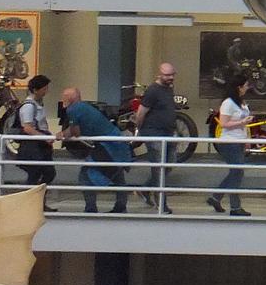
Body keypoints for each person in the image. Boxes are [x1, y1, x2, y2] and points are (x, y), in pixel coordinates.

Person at [58, 87, 129, 214]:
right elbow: (75, 128)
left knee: (85, 176)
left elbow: (76, 132)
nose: (62, 99)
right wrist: (63, 133)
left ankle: (91, 208)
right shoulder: (85, 107)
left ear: (71, 98)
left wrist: (64, 134)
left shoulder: (72, 110)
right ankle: (121, 206)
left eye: (64, 96)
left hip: (107, 146)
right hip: (116, 143)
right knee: (117, 174)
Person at [137, 62, 179, 213]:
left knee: (170, 163)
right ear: (159, 74)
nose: (170, 77)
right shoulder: (152, 90)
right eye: (167, 75)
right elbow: (141, 112)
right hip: (153, 132)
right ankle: (161, 204)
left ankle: (145, 189)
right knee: (159, 168)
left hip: (168, 132)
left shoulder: (169, 88)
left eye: (172, 74)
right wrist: (139, 130)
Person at [208, 75, 252, 216]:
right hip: (229, 142)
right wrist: (242, 122)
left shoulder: (241, 102)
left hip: (239, 141)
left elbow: (244, 125)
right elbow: (223, 123)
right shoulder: (228, 103)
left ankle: (216, 197)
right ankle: (235, 206)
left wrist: (247, 140)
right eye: (246, 85)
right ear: (239, 87)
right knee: (237, 172)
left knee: (236, 172)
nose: (247, 88)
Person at [12, 74, 56, 193]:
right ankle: (33, 198)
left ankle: (36, 199)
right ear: (35, 90)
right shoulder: (29, 106)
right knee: (40, 173)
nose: (46, 91)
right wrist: (45, 138)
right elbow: (27, 128)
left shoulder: (36, 104)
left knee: (40, 174)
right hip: (33, 146)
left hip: (38, 145)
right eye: (44, 89)